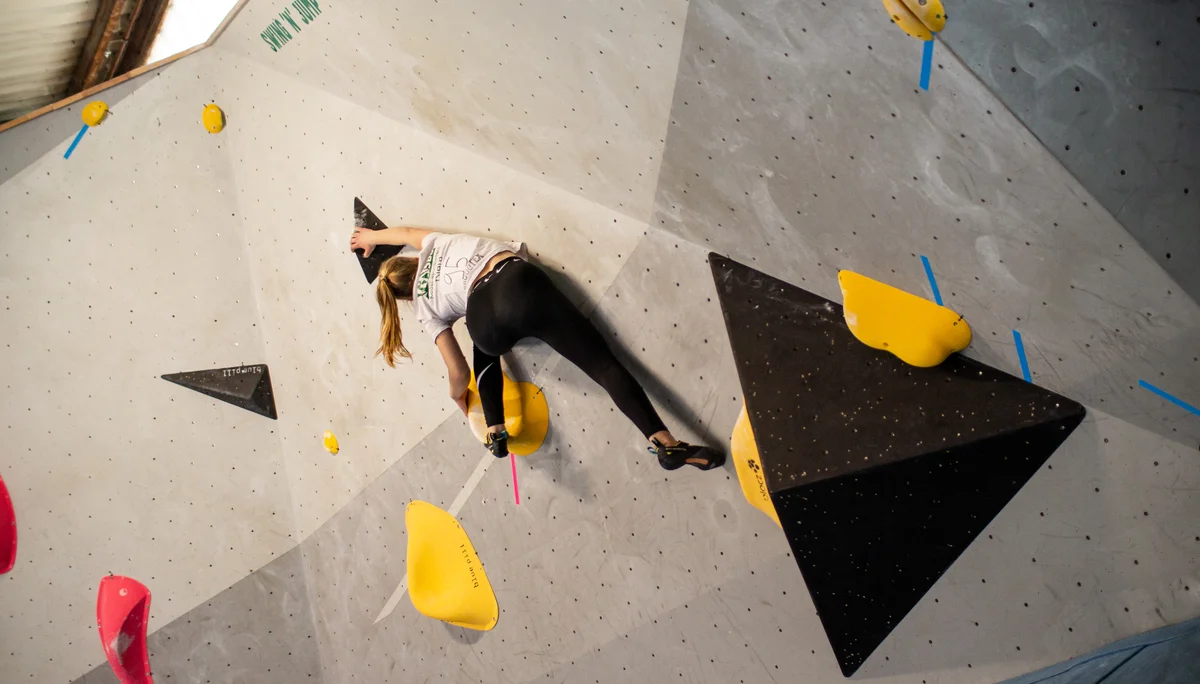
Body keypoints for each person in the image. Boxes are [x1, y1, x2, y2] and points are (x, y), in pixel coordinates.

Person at [350, 225, 723, 470]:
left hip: (482, 318)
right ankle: (664, 442)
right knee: (603, 366)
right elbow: (408, 231)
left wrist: (458, 398)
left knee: (483, 346)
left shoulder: (424, 310)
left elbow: (459, 372)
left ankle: (495, 431)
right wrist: (374, 237)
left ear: (401, 296)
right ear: (408, 260)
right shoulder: (433, 243)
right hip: (516, 284)